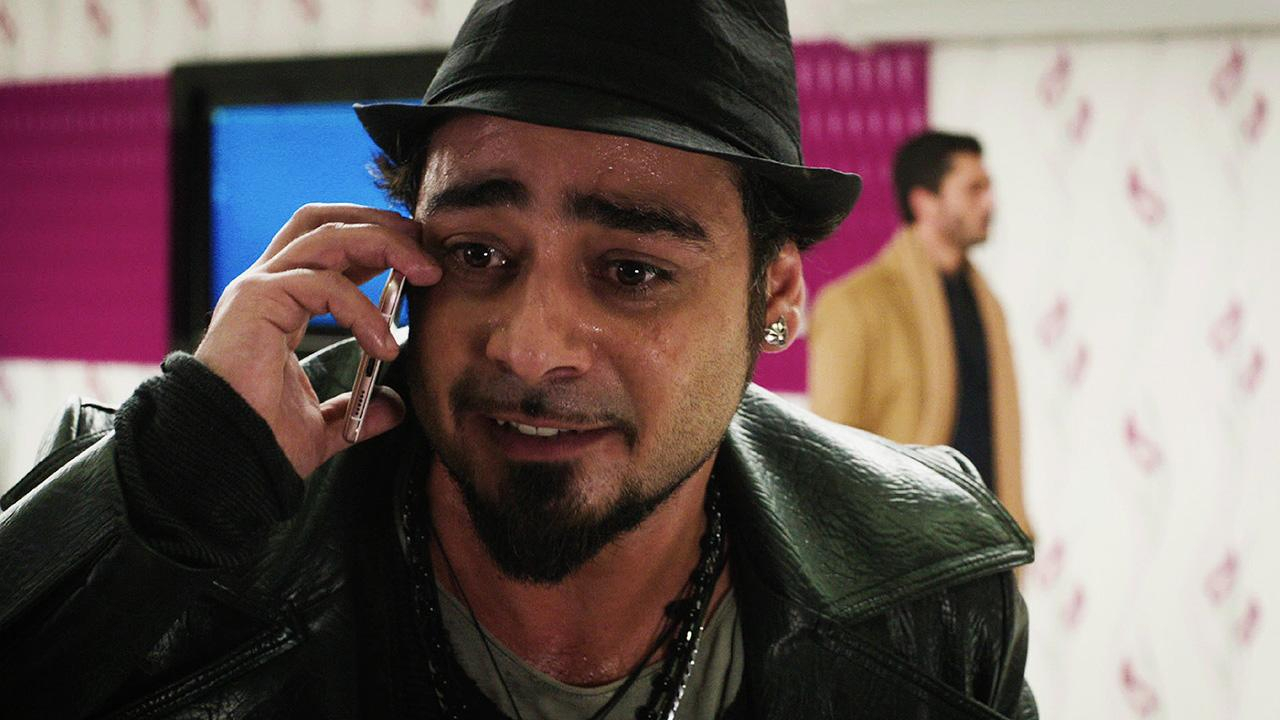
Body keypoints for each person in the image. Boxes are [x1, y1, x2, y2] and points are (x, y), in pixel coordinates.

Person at [0, 2, 1035, 718]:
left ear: (774, 294)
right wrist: (184, 482)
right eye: (477, 254)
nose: (529, 348)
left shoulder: (926, 596)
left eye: (630, 271)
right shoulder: (180, 518)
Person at [809, 131, 1033, 539]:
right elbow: (830, 453)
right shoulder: (853, 303)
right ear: (924, 201)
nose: (989, 203)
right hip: (900, 546)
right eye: (974, 189)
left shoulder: (988, 306)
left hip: (985, 540)